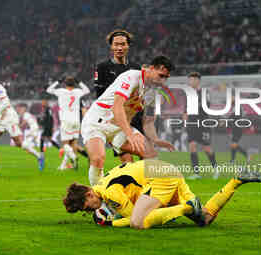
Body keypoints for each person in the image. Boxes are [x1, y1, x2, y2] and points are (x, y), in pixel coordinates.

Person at [63, 160, 261, 229]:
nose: (88, 210)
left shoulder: (109, 193)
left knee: (137, 222)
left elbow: (134, 217)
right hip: (165, 172)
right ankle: (237, 180)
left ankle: (187, 207)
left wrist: (111, 222)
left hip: (160, 178)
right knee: (205, 219)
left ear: (89, 194)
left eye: (85, 206)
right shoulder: (104, 184)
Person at [82, 56, 174, 186]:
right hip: (97, 122)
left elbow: (148, 122)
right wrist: (130, 134)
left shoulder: (153, 93)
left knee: (151, 154)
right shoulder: (131, 77)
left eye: (166, 78)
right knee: (98, 159)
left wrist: (156, 140)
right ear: (151, 68)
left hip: (118, 127)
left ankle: (149, 196)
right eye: (161, 75)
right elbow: (117, 107)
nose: (162, 81)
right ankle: (99, 201)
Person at [0, 69, 44, 173]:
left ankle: (39, 156)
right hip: (0, 117)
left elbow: (5, 103)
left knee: (18, 143)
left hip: (9, 116)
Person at [94, 29, 141, 164]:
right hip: (116, 120)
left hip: (135, 117)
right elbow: (100, 97)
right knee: (127, 162)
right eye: (116, 44)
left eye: (123, 44)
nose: (119, 48)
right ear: (111, 46)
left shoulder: (136, 67)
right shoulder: (102, 67)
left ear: (128, 46)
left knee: (146, 157)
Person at [47, 75, 90, 170]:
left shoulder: (61, 92)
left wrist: (58, 81)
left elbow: (49, 90)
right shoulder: (77, 92)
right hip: (76, 120)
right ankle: (66, 165)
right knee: (73, 143)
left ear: (64, 84)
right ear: (74, 84)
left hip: (66, 120)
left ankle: (74, 158)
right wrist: (79, 82)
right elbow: (87, 90)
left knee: (65, 144)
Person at [183, 72, 218, 180]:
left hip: (202, 123)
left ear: (198, 80)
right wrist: (185, 118)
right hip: (192, 123)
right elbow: (186, 109)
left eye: (193, 79)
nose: (191, 82)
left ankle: (216, 169)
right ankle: (196, 173)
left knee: (206, 148)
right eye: (190, 80)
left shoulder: (204, 92)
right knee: (192, 146)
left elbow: (207, 105)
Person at [227, 96, 250, 164]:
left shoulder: (237, 107)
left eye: (232, 99)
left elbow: (233, 116)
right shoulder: (236, 107)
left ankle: (247, 154)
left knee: (234, 144)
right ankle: (232, 160)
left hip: (238, 128)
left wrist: (226, 120)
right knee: (233, 145)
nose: (230, 101)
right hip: (236, 128)